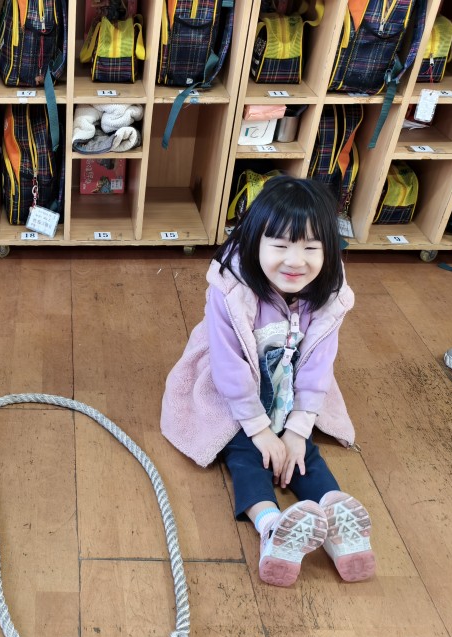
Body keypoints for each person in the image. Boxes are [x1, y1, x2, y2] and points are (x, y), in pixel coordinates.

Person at [161, 175, 375, 587]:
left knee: (303, 453)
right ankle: (272, 526)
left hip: (287, 385)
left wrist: (297, 428)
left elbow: (319, 365)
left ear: (329, 250)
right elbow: (228, 367)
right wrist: (260, 430)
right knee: (245, 451)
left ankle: (337, 525)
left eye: (311, 248)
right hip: (237, 388)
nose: (296, 261)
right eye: (280, 246)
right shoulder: (230, 288)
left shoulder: (329, 292)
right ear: (255, 241)